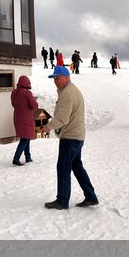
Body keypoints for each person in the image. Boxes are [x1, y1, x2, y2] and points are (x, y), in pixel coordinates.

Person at [44, 65, 98, 209]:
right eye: (54, 78)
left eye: (58, 78)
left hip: (70, 137)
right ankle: (91, 197)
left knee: (63, 167)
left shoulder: (67, 93)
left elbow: (62, 118)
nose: (55, 80)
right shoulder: (71, 90)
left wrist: (48, 126)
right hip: (77, 135)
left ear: (67, 77)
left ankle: (62, 201)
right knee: (76, 166)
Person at [11, 75, 37, 166]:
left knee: (26, 137)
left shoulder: (14, 92)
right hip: (26, 118)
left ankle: (28, 157)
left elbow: (13, 104)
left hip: (17, 118)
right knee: (25, 139)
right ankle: (16, 158)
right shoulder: (27, 93)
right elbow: (34, 105)